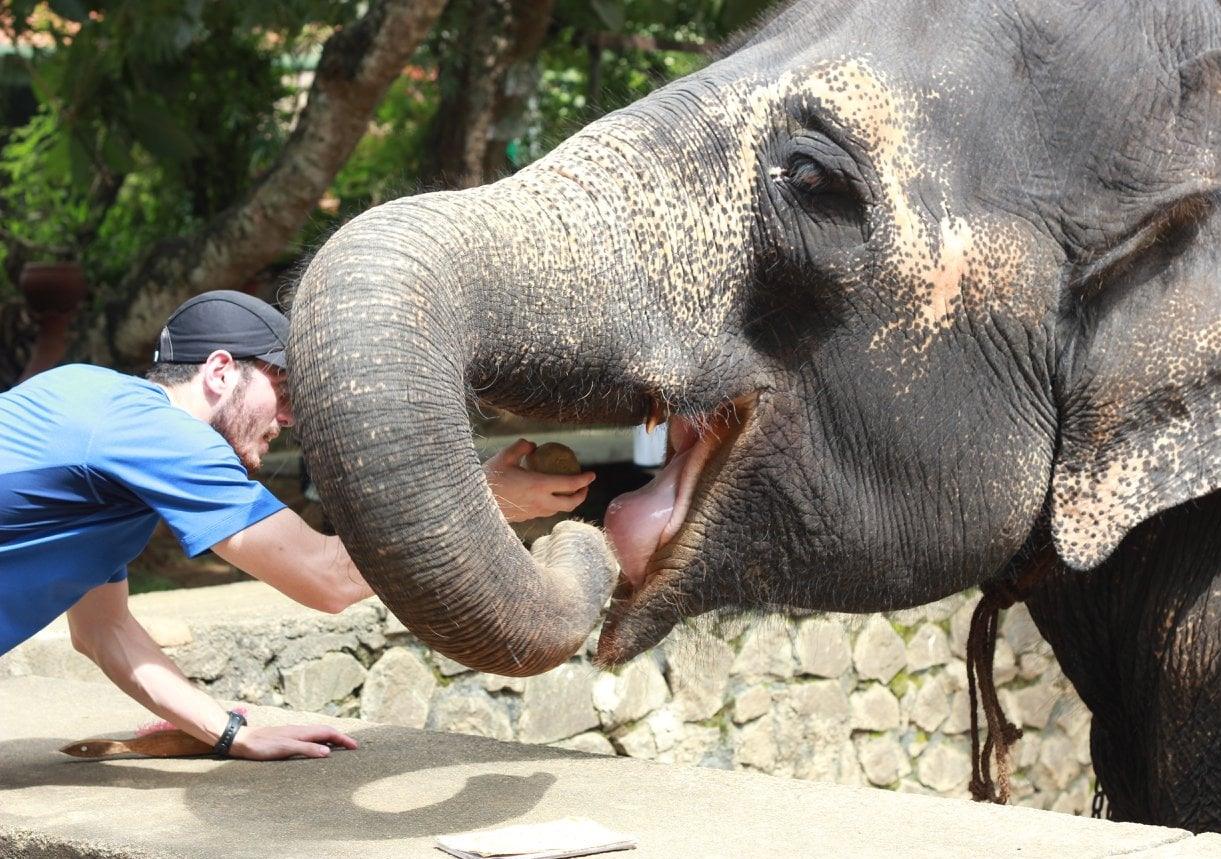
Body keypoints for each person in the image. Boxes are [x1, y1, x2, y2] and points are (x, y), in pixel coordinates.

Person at [0, 290, 594, 760]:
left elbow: (103, 630)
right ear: (219, 371)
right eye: (282, 387)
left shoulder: (95, 410)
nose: (288, 416)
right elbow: (326, 579)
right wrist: (486, 496)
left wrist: (227, 733)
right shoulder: (163, 439)